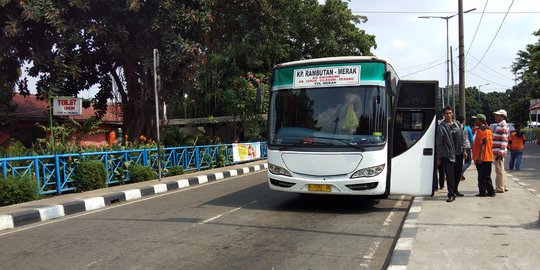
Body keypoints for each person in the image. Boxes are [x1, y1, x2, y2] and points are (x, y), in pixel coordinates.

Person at [435, 106, 465, 202]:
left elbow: (463, 137)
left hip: (459, 153)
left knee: (457, 173)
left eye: (450, 113)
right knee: (449, 175)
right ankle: (451, 194)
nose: (448, 115)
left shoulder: (457, 124)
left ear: (452, 113)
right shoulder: (441, 127)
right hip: (447, 154)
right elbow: (439, 143)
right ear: (443, 115)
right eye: (446, 113)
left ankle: (455, 190)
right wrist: (439, 157)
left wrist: (464, 151)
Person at [471, 114, 496, 197]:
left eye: (476, 119)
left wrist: (479, 156)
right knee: (487, 176)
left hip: (482, 157)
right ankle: (491, 191)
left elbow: (483, 143)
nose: (475, 121)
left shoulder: (481, 130)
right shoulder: (489, 130)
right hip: (488, 156)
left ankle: (483, 192)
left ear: (481, 120)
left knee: (481, 176)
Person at [492, 109, 510, 193]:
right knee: (501, 170)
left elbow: (504, 140)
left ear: (502, 117)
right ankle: (504, 186)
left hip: (499, 152)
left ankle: (500, 187)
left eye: (497, 115)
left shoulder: (503, 126)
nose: (495, 116)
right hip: (498, 151)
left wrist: (500, 152)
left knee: (499, 170)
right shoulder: (501, 125)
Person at [457, 116, 473, 180]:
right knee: (468, 162)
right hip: (466, 146)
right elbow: (471, 139)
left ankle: (459, 173)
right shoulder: (467, 128)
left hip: (458, 147)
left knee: (459, 161)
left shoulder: (455, 128)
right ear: (463, 121)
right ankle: (460, 172)